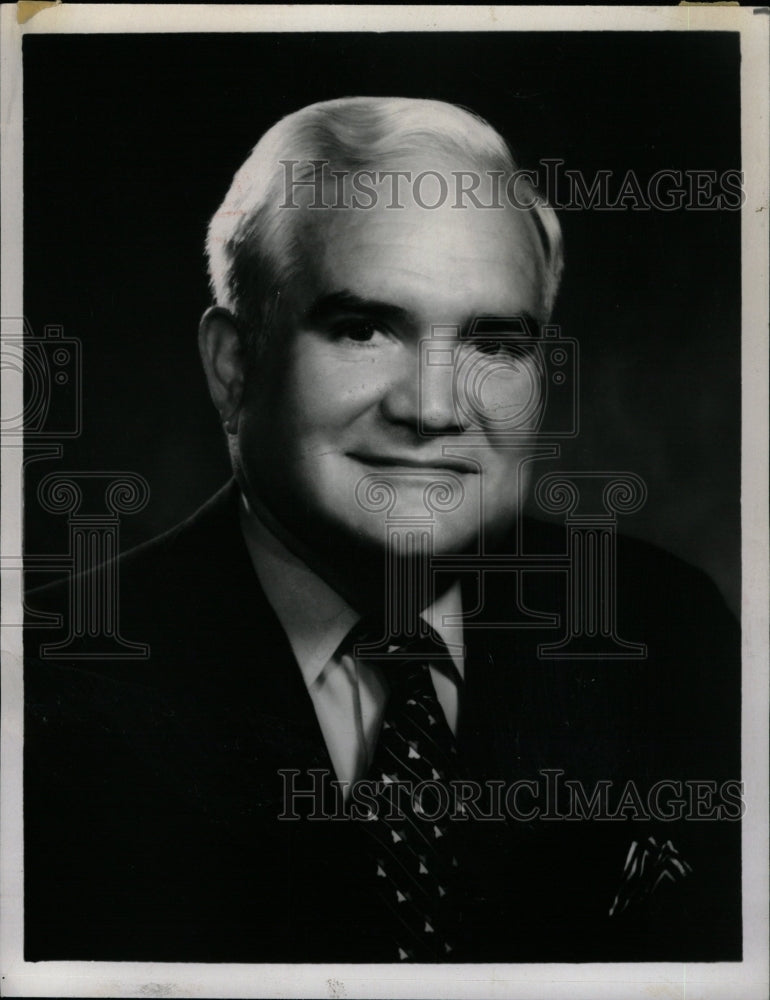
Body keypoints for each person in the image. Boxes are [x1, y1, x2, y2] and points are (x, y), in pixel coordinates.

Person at [24, 97, 741, 964]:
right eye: (363, 328)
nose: (433, 408)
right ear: (233, 367)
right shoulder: (48, 684)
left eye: (495, 343)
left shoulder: (667, 630)